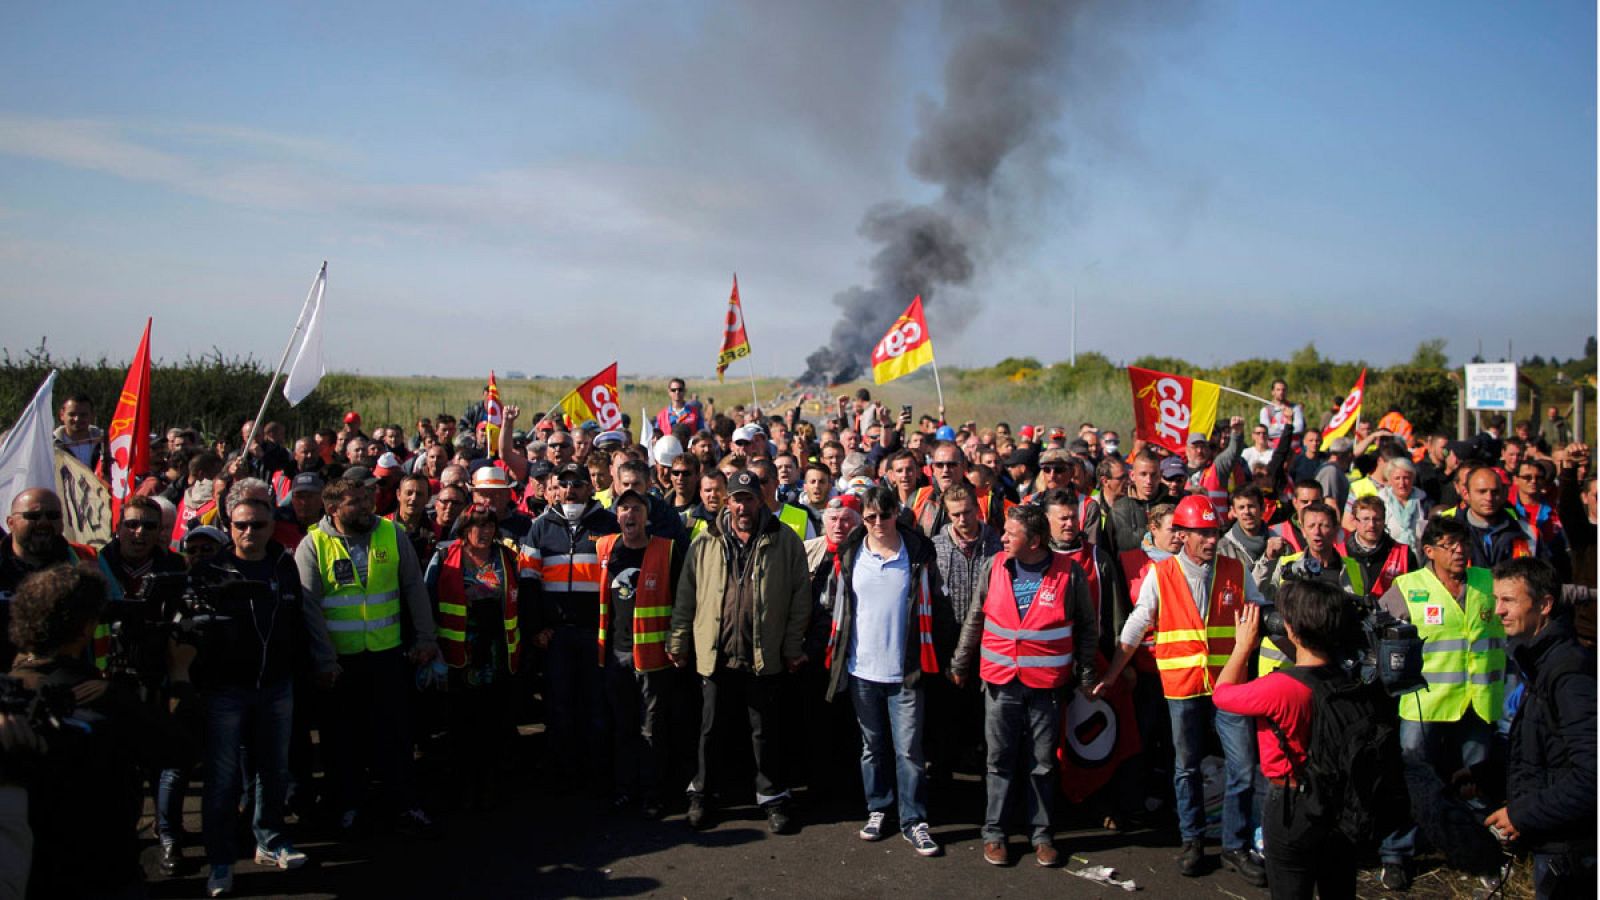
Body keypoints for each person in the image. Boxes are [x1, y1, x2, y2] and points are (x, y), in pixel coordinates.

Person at [1095, 495, 1267, 886]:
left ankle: (1235, 846)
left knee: (1241, 768)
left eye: (1214, 532)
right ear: (1183, 535)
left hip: (1229, 685)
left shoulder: (1236, 571)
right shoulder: (1162, 574)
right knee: (1185, 767)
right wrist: (1113, 674)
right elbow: (1136, 627)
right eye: (1202, 533)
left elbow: (1260, 613)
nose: (1210, 540)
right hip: (1182, 687)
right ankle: (1191, 841)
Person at [9, 563, 196, 898]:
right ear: (85, 628)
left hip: (31, 870)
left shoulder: (13, 695)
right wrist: (180, 675)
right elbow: (179, 750)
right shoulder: (97, 698)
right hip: (104, 869)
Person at [296, 470, 441, 837]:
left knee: (395, 736)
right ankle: (348, 805)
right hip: (339, 665)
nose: (365, 507)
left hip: (388, 655)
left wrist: (425, 637)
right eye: (354, 503)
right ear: (331, 509)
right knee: (342, 741)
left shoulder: (391, 533)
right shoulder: (312, 545)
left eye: (367, 499)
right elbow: (309, 608)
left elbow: (413, 588)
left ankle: (404, 803)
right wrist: (324, 659)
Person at [951, 504, 1095, 869]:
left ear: (1033, 540)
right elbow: (976, 618)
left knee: (1042, 764)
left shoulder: (1069, 573)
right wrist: (961, 661)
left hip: (1047, 687)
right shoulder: (995, 565)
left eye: (1010, 534)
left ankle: (1042, 834)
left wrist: (1086, 673)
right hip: (1000, 684)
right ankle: (995, 833)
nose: (1001, 538)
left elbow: (1087, 628)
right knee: (998, 761)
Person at [669, 470, 810, 834]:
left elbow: (800, 599)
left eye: (749, 497)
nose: (742, 505)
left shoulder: (785, 541)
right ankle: (703, 794)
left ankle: (772, 797)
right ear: (727, 502)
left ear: (760, 499)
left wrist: (793, 646)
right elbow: (687, 595)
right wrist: (679, 641)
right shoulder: (705, 542)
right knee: (710, 729)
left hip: (763, 654)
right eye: (737, 498)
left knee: (764, 732)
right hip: (715, 654)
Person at [1375, 516, 1507, 887]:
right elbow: (1379, 634)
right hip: (1422, 705)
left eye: (1462, 542)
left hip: (1476, 702)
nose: (1459, 550)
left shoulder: (1488, 581)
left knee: (1476, 784)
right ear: (1429, 552)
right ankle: (1396, 855)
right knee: (1411, 781)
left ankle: (1483, 859)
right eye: (1449, 545)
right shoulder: (1407, 587)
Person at [188, 492, 308, 896]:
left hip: (275, 684)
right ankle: (220, 860)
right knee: (222, 781)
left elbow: (296, 619)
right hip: (226, 690)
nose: (249, 532)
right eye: (241, 525)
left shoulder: (282, 563)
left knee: (273, 770)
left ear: (272, 526)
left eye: (258, 524)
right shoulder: (212, 570)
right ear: (229, 527)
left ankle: (270, 840)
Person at [1214, 580, 1359, 900]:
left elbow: (1223, 695)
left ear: (1292, 630)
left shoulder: (1281, 688)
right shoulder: (1352, 680)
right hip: (1344, 808)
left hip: (1292, 806)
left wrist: (1242, 646)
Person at [821, 486, 943, 856]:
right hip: (861, 669)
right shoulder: (851, 552)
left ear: (896, 514)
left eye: (883, 516)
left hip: (904, 669)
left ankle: (914, 820)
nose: (876, 523)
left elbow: (935, 599)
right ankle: (878, 808)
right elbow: (833, 601)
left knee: (908, 751)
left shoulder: (917, 554)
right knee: (872, 748)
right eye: (870, 517)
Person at [1488, 558, 1596, 899]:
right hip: (1554, 842)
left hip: (1572, 854)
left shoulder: (1568, 674)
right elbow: (1547, 750)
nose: (1498, 611)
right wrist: (1484, 774)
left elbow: (1592, 776)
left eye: (1509, 601)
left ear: (1545, 604)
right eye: (1496, 599)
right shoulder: (1540, 662)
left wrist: (1522, 813)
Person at [519, 461, 618, 787]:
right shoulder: (540, 527)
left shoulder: (608, 524)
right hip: (556, 635)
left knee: (595, 707)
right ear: (555, 488)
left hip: (595, 634)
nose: (571, 490)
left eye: (578, 483)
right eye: (565, 484)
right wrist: (536, 629)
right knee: (559, 707)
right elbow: (528, 583)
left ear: (590, 487)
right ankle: (562, 774)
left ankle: (596, 773)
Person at [423, 506, 524, 811]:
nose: (484, 531)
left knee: (493, 720)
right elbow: (428, 598)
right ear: (464, 529)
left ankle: (491, 786)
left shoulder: (506, 557)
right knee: (461, 722)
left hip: (496, 651)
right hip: (459, 653)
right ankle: (461, 786)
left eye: (490, 525)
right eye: (477, 526)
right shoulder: (444, 556)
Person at [595, 489, 682, 818]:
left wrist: (677, 644)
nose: (630, 515)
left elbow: (681, 601)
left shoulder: (666, 550)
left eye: (637, 509)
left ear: (647, 516)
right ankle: (625, 789)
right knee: (623, 726)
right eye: (624, 508)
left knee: (652, 729)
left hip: (653, 657)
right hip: (615, 654)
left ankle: (653, 793)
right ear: (617, 515)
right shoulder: (606, 548)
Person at [0, 489, 98, 671]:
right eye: (33, 515)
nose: (44, 522)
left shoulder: (86, 561)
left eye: (52, 515)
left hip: (72, 687)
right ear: (10, 523)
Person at [52, 392, 105, 471]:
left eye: (83, 415)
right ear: (62, 415)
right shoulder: (51, 447)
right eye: (72, 414)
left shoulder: (105, 444)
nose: (77, 419)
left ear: (92, 415)